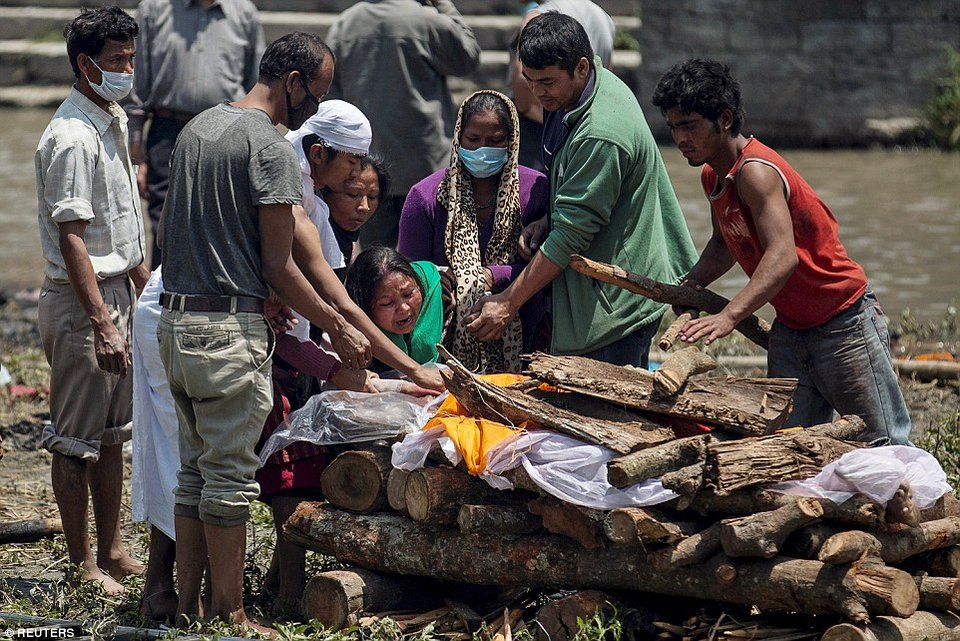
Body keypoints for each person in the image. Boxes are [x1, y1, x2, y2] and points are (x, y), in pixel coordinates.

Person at [157, 32, 374, 633]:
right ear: (294, 82)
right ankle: (230, 613)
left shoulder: (199, 128)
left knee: (195, 472)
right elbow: (280, 265)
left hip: (177, 325)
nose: (315, 107)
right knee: (226, 480)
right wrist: (336, 326)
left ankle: (187, 606)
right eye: (318, 92)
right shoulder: (271, 148)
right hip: (227, 332)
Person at [651, 58, 912, 444]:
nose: (680, 138)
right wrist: (692, 284)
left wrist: (728, 316)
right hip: (791, 327)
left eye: (689, 126)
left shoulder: (756, 171)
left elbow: (782, 257)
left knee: (885, 442)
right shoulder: (713, 174)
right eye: (674, 127)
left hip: (842, 321)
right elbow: (725, 241)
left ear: (724, 119)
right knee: (790, 445)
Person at [467, 13, 697, 368]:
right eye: (530, 81)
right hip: (606, 283)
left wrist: (508, 302)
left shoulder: (600, 133)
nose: (538, 92)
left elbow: (571, 237)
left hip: (615, 304)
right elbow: (579, 197)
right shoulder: (586, 90)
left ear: (582, 67)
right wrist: (549, 218)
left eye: (547, 82)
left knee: (600, 414)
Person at [34, 7, 148, 596]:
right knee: (76, 439)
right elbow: (72, 237)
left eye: (131, 58)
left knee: (111, 436)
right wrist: (102, 321)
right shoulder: (72, 136)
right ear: (86, 64)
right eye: (117, 61)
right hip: (84, 306)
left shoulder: (111, 116)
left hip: (116, 294)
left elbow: (121, 222)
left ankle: (112, 548)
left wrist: (143, 288)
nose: (127, 69)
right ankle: (84, 563)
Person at [398, 90, 549, 373]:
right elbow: (409, 277)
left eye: (495, 142)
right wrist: (443, 283)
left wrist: (492, 276)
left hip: (530, 344)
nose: (483, 150)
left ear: (511, 141)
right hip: (443, 350)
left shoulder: (537, 191)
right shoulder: (426, 197)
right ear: (458, 138)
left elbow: (551, 264)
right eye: (473, 140)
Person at [325, 0, 481, 249]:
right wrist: (445, 6)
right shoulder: (426, 20)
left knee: (378, 262)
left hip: (368, 167)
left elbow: (331, 94)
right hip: (426, 165)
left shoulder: (345, 25)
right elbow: (468, 58)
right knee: (430, 263)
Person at [126, 0, 264, 268]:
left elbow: (256, 83)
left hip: (228, 129)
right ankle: (161, 300)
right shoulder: (153, 10)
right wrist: (136, 151)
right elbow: (135, 83)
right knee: (165, 222)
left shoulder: (244, 13)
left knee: (225, 219)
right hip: (168, 130)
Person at [508, 0, 616, 171]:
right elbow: (607, 73)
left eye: (547, 81)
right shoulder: (603, 17)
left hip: (540, 130)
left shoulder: (539, 18)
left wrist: (553, 124)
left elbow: (521, 81)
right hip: (584, 126)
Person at [345, 247, 446, 368]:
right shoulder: (351, 343)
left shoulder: (445, 297)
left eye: (408, 294)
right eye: (387, 303)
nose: (404, 308)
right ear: (365, 309)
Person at [326, 156, 389, 280]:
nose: (365, 207)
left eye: (372, 197)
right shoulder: (308, 236)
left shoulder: (347, 242)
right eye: (353, 194)